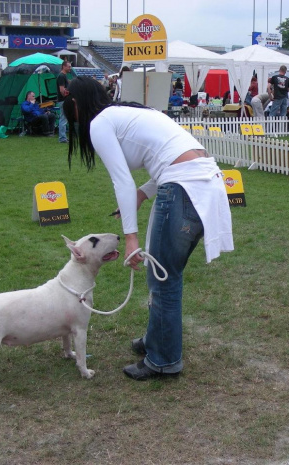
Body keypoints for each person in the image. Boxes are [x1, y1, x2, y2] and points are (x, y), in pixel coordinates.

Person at [63, 76, 234, 380]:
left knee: (164, 280)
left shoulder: (101, 122)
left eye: (69, 107)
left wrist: (130, 239)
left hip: (184, 188)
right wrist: (143, 193)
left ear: (77, 102)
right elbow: (176, 158)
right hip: (206, 183)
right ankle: (156, 341)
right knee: (163, 277)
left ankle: (164, 361)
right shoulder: (136, 113)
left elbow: (121, 181)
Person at [56, 60, 72, 143]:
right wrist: (68, 95)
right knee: (63, 119)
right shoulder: (61, 76)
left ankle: (63, 137)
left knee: (64, 119)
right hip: (63, 100)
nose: (70, 68)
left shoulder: (64, 76)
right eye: (69, 66)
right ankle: (62, 138)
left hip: (63, 100)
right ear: (64, 66)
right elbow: (62, 90)